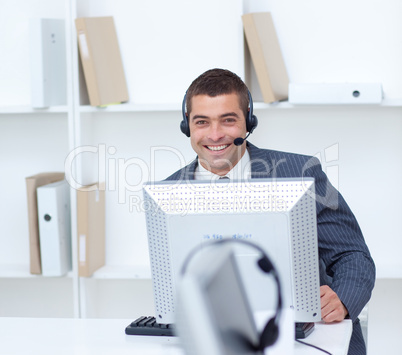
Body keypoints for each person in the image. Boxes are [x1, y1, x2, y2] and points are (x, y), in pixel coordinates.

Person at [165, 68, 375, 354]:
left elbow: (352, 255)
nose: (215, 135)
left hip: (303, 336)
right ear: (187, 126)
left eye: (228, 120)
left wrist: (343, 298)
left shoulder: (300, 172)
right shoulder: (168, 192)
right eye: (202, 122)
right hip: (211, 337)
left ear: (248, 122)